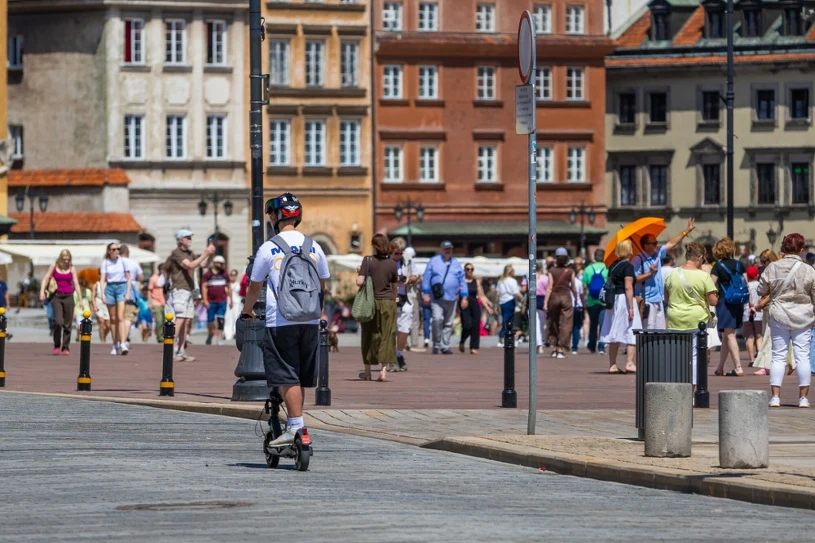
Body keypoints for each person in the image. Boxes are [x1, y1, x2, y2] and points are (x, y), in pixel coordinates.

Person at [242, 192, 330, 447]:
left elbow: (254, 285)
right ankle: (296, 424)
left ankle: (295, 429)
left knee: (286, 374)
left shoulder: (269, 247)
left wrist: (248, 310)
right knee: (299, 376)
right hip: (310, 320)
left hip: (281, 320)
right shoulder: (314, 245)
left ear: (275, 217)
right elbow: (323, 282)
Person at [755, 233, 815, 408]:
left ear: (783, 248)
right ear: (801, 249)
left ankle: (775, 397)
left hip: (779, 315)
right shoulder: (809, 270)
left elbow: (760, 289)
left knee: (778, 356)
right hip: (803, 317)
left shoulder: (773, 267)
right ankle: (803, 398)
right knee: (802, 357)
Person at [664, 242, 719, 390]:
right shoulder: (703, 276)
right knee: (694, 356)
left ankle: (676, 387)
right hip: (696, 320)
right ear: (700, 257)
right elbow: (712, 300)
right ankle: (692, 390)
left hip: (675, 318)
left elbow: (666, 298)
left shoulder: (672, 273)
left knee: (677, 355)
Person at [631, 218, 696, 329]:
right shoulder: (637, 259)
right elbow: (633, 279)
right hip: (647, 301)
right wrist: (648, 274)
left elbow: (672, 243)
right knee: (648, 331)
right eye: (654, 243)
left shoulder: (658, 253)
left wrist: (686, 231)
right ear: (646, 246)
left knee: (660, 331)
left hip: (659, 299)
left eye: (656, 242)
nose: (657, 245)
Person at [165, 229, 215, 362]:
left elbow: (203, 264)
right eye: (187, 237)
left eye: (190, 237)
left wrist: (210, 255)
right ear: (180, 239)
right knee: (180, 319)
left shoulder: (189, 253)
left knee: (186, 321)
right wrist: (205, 253)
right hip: (180, 289)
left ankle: (181, 351)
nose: (190, 240)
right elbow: (190, 265)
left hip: (189, 290)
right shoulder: (177, 253)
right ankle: (171, 349)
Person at [356, 234, 398, 381]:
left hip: (370, 303)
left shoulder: (367, 261)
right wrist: (394, 299)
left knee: (368, 334)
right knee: (387, 335)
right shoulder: (392, 264)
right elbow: (394, 287)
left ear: (374, 246)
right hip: (388, 302)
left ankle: (367, 372)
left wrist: (359, 272)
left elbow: (359, 282)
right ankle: (383, 371)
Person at [599, 239, 641, 374]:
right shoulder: (628, 266)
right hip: (624, 300)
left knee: (614, 332)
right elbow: (628, 287)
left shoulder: (613, 265)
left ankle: (612, 365)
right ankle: (630, 362)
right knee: (633, 329)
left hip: (614, 300)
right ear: (628, 250)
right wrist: (631, 308)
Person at [421, 241, 468, 355]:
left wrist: (464, 296)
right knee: (437, 319)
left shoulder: (456, 263)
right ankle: (436, 343)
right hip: (437, 297)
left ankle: (445, 346)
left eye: (450, 249)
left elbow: (462, 280)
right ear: (442, 250)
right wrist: (426, 292)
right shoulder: (434, 261)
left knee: (448, 322)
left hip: (452, 297)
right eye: (446, 249)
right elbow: (426, 276)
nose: (448, 251)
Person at [711, 237, 747, 377]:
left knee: (730, 334)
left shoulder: (718, 266)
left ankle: (738, 367)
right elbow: (745, 283)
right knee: (727, 335)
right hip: (738, 301)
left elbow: (710, 284)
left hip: (725, 301)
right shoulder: (739, 264)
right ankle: (720, 368)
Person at [40, 249, 84, 355]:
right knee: (58, 322)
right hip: (57, 296)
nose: (66, 260)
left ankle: (65, 347)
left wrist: (80, 299)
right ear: (60, 258)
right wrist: (42, 292)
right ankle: (56, 345)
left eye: (68, 258)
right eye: (64, 258)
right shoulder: (54, 266)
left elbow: (76, 284)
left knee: (68, 323)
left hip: (69, 296)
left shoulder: (72, 268)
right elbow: (45, 279)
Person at [389, 238, 417, 371]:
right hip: (388, 298)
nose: (398, 256)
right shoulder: (385, 260)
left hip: (406, 297)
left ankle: (399, 354)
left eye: (400, 253)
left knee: (404, 328)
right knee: (390, 329)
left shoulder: (408, 259)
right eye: (396, 253)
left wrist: (409, 279)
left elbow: (416, 276)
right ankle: (391, 358)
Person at [543, 248, 577, 359]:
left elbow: (549, 288)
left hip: (554, 297)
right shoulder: (570, 271)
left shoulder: (552, 271)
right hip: (566, 297)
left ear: (556, 258)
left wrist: (545, 302)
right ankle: (562, 349)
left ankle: (554, 348)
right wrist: (576, 299)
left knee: (553, 322)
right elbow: (573, 287)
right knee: (566, 324)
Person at [99, 242, 131, 356]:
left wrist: (128, 292)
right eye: (113, 249)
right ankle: (115, 344)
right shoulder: (105, 263)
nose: (116, 251)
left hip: (121, 287)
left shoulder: (123, 261)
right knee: (112, 319)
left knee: (120, 317)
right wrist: (102, 294)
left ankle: (123, 343)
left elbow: (128, 278)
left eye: (118, 249)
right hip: (110, 288)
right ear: (109, 251)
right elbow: (102, 279)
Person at [459, 262, 492, 355]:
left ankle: (474, 347)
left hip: (474, 304)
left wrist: (487, 306)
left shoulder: (476, 281)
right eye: (468, 269)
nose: (470, 271)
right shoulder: (461, 281)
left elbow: (481, 295)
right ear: (464, 270)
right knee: (467, 325)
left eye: (472, 269)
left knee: (476, 325)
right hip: (464, 304)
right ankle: (462, 341)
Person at [119, 244, 144, 353]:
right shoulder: (134, 263)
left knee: (119, 316)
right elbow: (141, 277)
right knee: (128, 317)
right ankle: (124, 339)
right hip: (131, 289)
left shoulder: (116, 263)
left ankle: (120, 339)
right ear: (128, 253)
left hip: (117, 289)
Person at [202, 255, 231, 346]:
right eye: (219, 263)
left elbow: (229, 287)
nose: (221, 265)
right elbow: (204, 287)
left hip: (222, 300)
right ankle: (210, 333)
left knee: (221, 320)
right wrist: (205, 300)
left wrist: (231, 299)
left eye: (222, 263)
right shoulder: (208, 274)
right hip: (211, 301)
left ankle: (219, 338)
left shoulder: (224, 274)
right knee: (210, 320)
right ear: (214, 263)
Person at [583, 249, 607, 355]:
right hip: (604, 301)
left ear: (594, 257)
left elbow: (585, 286)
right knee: (602, 323)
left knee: (593, 324)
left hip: (591, 300)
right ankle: (601, 347)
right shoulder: (607, 268)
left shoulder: (588, 269)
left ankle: (592, 345)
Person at [743, 265, 763, 368]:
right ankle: (759, 356)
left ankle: (751, 359)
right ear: (757, 275)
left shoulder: (745, 286)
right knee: (759, 335)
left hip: (747, 313)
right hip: (759, 313)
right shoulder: (760, 285)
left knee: (749, 337)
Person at [496, 265, 520, 348]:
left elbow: (497, 293)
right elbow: (516, 293)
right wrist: (523, 299)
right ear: (511, 272)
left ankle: (502, 338)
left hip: (502, 302)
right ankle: (502, 336)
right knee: (508, 321)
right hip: (509, 301)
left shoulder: (500, 281)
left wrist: (496, 304)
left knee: (505, 320)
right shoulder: (512, 281)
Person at [147, 264, 166, 343]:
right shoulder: (154, 278)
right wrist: (149, 302)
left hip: (166, 302)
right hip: (156, 301)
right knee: (159, 320)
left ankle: (166, 336)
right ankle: (160, 337)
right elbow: (149, 290)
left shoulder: (167, 278)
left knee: (166, 321)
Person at [224, 268, 242, 342]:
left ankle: (235, 333)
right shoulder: (228, 285)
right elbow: (227, 293)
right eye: (231, 275)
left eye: (234, 275)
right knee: (228, 318)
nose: (233, 277)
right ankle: (227, 333)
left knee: (236, 317)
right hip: (229, 303)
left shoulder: (238, 284)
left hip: (237, 303)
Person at [535, 262, 548, 355]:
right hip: (542, 300)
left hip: (534, 300)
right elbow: (548, 290)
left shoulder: (529, 276)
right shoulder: (546, 278)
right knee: (540, 324)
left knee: (536, 324)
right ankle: (540, 344)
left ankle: (539, 344)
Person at [93, 275, 110, 343]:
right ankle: (102, 340)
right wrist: (94, 306)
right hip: (98, 302)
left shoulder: (109, 284)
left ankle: (104, 336)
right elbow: (93, 296)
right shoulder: (96, 284)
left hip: (107, 304)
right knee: (101, 322)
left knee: (109, 325)